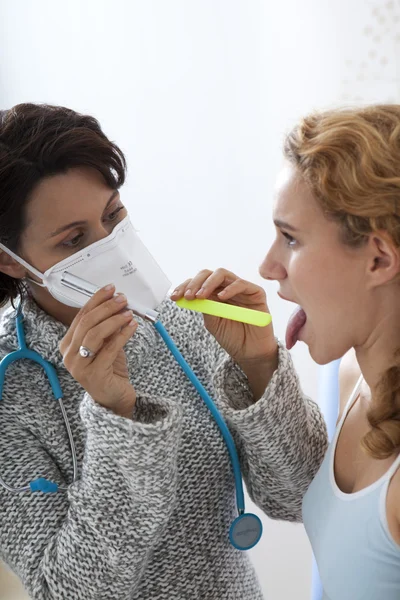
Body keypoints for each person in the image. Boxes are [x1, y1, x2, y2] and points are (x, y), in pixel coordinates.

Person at [0, 103, 327, 600]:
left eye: (114, 215)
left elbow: (301, 496)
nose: (111, 246)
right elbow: (68, 592)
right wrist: (116, 415)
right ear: (11, 261)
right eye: (74, 240)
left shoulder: (176, 319)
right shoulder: (11, 390)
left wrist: (258, 366)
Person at [174, 104, 400, 599]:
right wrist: (257, 365)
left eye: (291, 238)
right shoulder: (346, 379)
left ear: (379, 258)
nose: (268, 266)